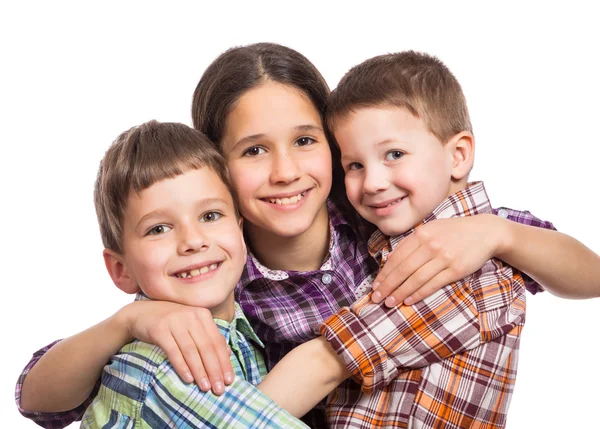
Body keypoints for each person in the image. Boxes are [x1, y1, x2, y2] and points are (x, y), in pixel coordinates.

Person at [16, 43, 600, 428]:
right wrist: (129, 319)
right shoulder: (213, 266)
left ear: (331, 144)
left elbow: (588, 274)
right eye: (253, 151)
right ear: (215, 166)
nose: (285, 173)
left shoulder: (387, 216)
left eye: (304, 141)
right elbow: (37, 399)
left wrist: (499, 235)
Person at [256, 50, 568, 428]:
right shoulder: (391, 235)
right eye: (354, 165)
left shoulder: (465, 270)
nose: (371, 182)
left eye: (395, 154)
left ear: (458, 155)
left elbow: (324, 363)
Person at [74, 120, 308, 428]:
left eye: (210, 216)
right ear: (121, 269)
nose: (193, 241)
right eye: (158, 229)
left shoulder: (243, 329)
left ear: (240, 232)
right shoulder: (167, 366)